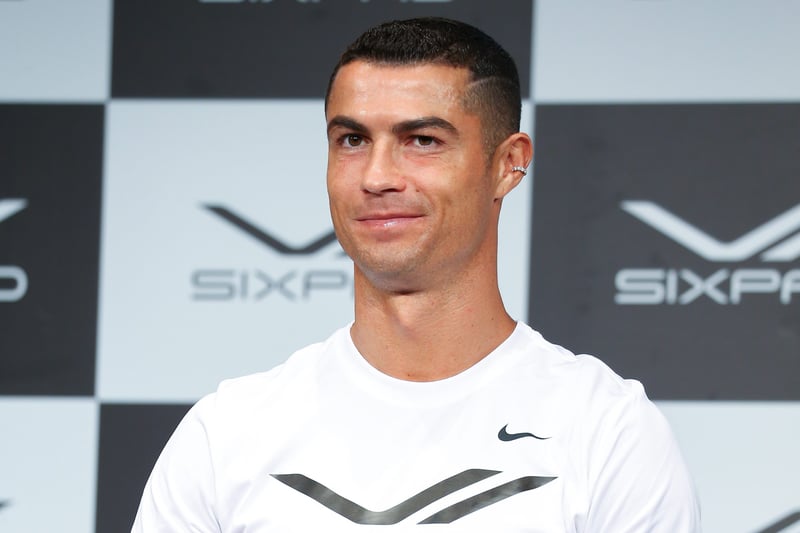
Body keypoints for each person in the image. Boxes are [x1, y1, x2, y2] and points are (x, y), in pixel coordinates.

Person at [132, 17, 701, 532]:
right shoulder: (227, 433)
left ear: (509, 164)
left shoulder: (606, 431)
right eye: (352, 140)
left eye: (422, 141)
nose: (376, 176)